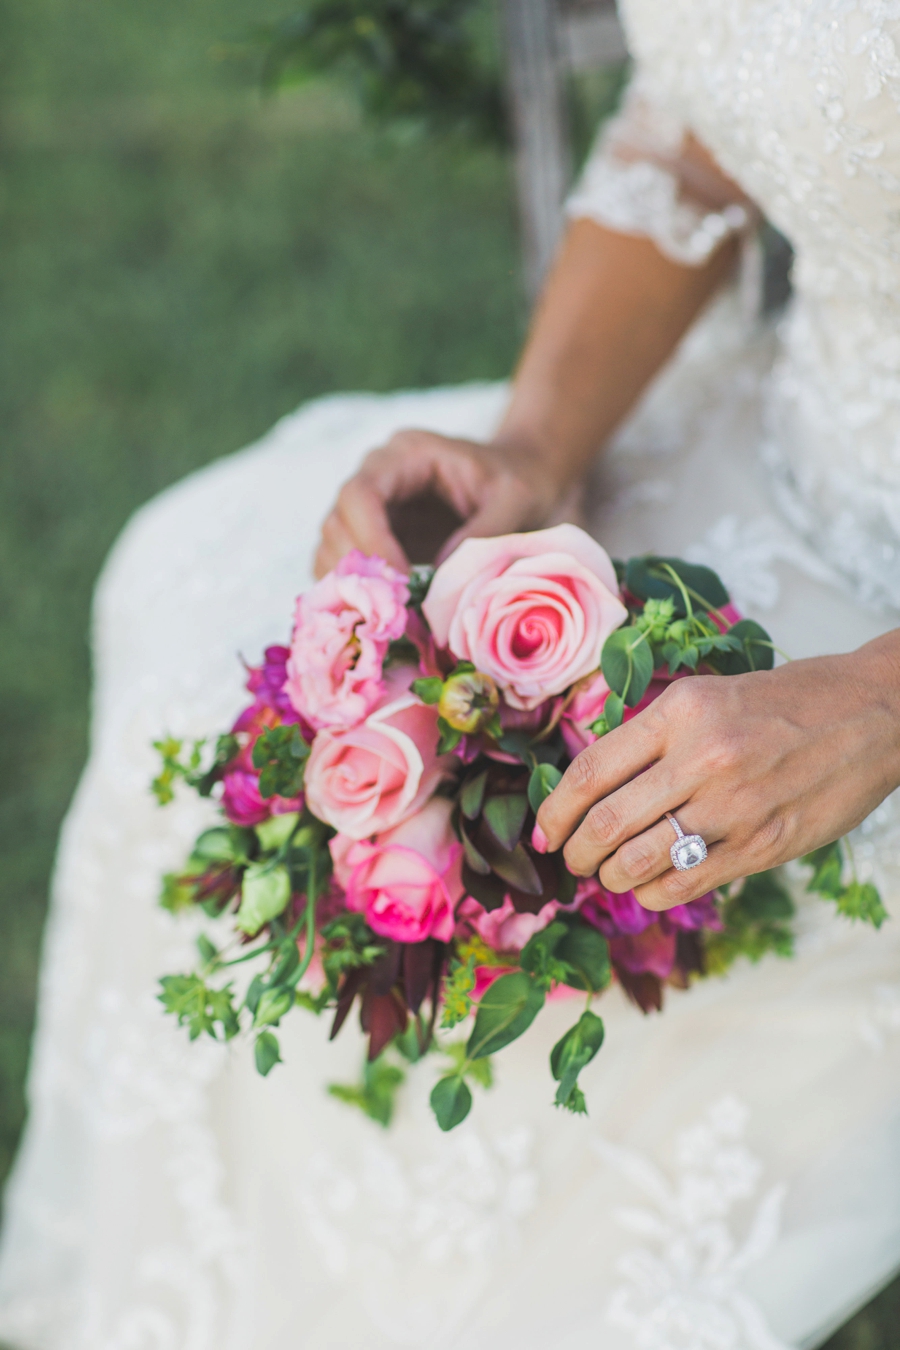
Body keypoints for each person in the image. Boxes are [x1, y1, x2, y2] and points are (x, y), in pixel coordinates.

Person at [2, 1, 900, 1345]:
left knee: (610, 952)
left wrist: (876, 705)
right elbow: (690, 143)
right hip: (793, 442)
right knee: (191, 617)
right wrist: (537, 446)